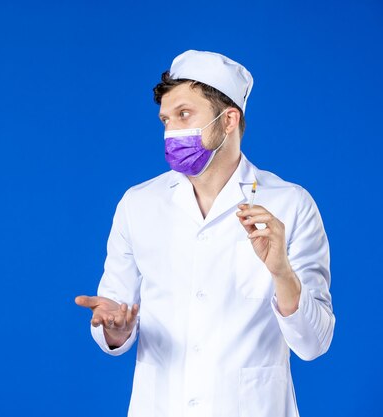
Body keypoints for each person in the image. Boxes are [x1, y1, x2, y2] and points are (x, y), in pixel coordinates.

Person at [75, 50, 335, 417]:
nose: (171, 131)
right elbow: (115, 319)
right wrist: (115, 329)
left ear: (228, 120)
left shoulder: (290, 204)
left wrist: (282, 272)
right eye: (166, 119)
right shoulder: (139, 204)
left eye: (184, 115)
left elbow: (315, 342)